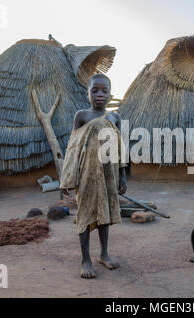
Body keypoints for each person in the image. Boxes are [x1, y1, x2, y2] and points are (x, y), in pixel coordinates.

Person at [60, 73, 127, 279]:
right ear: (87, 93)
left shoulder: (115, 118)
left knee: (104, 214)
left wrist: (122, 176)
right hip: (86, 174)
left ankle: (104, 254)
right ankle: (85, 259)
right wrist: (67, 177)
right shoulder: (81, 116)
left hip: (108, 174)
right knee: (85, 215)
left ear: (110, 94)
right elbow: (72, 148)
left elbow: (119, 148)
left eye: (104, 91)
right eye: (95, 90)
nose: (99, 94)